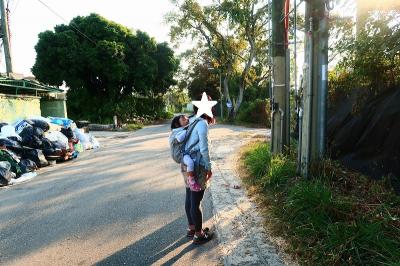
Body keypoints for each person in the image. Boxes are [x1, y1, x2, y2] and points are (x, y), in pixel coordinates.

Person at [182, 96, 215, 245]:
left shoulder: (192, 121)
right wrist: (208, 167)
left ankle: (191, 228)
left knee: (189, 197)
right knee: (196, 201)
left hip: (186, 164)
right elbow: (204, 148)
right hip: (197, 166)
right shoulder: (202, 123)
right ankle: (199, 234)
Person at [169, 115, 202, 192]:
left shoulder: (180, 129)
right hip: (179, 155)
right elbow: (179, 139)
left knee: (190, 162)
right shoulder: (178, 131)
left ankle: (189, 179)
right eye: (184, 120)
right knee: (190, 163)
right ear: (177, 124)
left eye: (187, 118)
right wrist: (187, 130)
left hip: (182, 153)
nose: (187, 120)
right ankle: (191, 181)